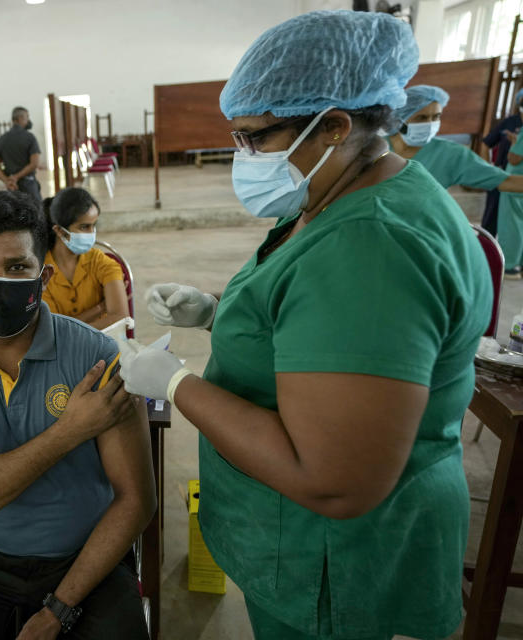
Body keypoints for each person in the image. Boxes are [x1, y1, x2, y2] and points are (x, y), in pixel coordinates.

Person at [116, 11, 491, 639]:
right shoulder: (346, 193)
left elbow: (332, 481)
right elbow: (317, 321)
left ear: (335, 125)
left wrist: (176, 384)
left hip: (335, 560)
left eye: (256, 138)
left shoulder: (372, 247)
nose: (244, 158)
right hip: (305, 544)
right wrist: (216, 313)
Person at [0, 190, 155, 640]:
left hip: (87, 555)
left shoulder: (97, 355)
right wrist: (68, 432)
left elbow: (136, 499)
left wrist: (59, 609)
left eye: (18, 267)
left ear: (44, 275)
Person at [387, 85, 523, 195]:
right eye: (422, 118)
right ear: (400, 120)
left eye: (436, 117)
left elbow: (505, 180)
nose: (430, 124)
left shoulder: (449, 154)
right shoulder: (375, 147)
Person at [41, 188, 128, 330]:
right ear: (59, 230)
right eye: (84, 227)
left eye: (94, 225)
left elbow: (120, 318)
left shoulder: (102, 263)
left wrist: (71, 331)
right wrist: (101, 308)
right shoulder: (41, 272)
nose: (91, 233)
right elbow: (52, 330)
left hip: (105, 349)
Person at [481, 89, 523, 235]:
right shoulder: (509, 122)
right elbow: (486, 143)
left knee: (515, 229)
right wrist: (488, 167)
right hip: (501, 178)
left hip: (519, 184)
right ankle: (486, 254)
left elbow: (515, 157)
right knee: (490, 222)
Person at [0, 106, 42, 203]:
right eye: (27, 117)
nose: (28, 121)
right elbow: (34, 164)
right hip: (28, 185)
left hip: (11, 187)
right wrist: (16, 177)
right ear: (20, 119)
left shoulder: (2, 139)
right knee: (36, 213)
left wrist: (7, 180)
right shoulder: (29, 137)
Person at [498, 135, 523, 277]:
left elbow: (515, 158)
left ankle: (510, 266)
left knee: (512, 225)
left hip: (516, 185)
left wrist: (514, 142)